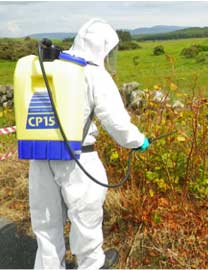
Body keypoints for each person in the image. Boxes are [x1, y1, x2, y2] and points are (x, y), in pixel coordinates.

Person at [28, 18, 149, 269]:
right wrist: (138, 141)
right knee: (86, 217)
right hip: (78, 158)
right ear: (102, 47)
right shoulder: (92, 71)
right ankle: (92, 265)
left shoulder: (49, 65)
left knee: (46, 223)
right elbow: (116, 122)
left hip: (40, 156)